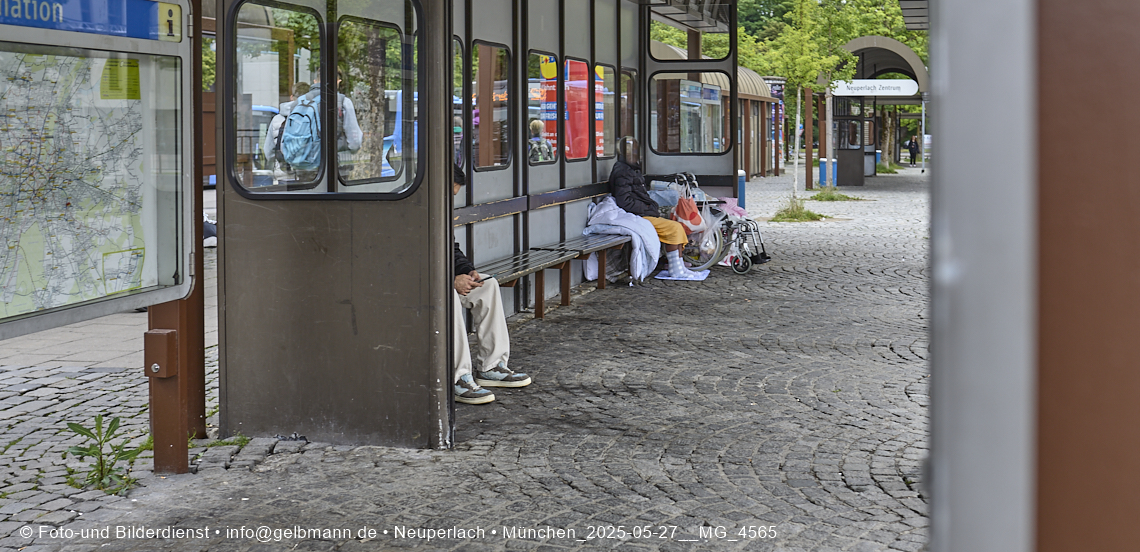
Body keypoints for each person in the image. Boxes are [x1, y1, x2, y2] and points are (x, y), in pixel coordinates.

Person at [451, 166, 532, 404]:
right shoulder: (415, 210)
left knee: (488, 285)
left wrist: (465, 271)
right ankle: (459, 377)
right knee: (447, 296)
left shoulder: (440, 210)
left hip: (442, 275)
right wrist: (451, 280)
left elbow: (450, 249)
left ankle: (492, 366)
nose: (451, 200)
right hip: (417, 284)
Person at [608, 136, 703, 280]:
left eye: (635, 151)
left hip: (641, 212)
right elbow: (625, 201)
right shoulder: (623, 172)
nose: (635, 154)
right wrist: (648, 209)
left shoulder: (630, 169)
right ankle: (676, 269)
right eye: (631, 152)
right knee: (674, 228)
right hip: (637, 216)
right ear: (623, 153)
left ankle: (679, 266)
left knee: (676, 226)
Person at [263, 82, 311, 181]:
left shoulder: (277, 119)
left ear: (292, 97)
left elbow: (268, 151)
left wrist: (276, 164)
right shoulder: (314, 117)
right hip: (309, 175)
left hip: (284, 175)